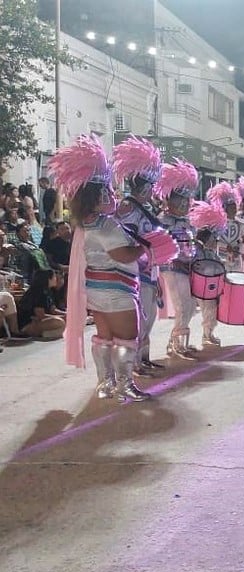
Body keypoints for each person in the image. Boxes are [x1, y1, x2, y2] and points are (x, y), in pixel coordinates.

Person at [48, 134, 152, 402]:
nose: (111, 192)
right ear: (98, 192)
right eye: (106, 188)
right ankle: (124, 386)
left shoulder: (84, 222)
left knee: (104, 337)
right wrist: (146, 247)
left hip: (96, 290)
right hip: (117, 291)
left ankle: (105, 384)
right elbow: (123, 255)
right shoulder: (106, 224)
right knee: (128, 338)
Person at [112, 135, 165, 373]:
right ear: (142, 187)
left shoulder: (145, 208)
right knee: (140, 319)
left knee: (150, 316)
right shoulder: (126, 208)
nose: (152, 190)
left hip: (150, 271)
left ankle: (143, 358)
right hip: (135, 271)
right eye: (150, 186)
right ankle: (133, 364)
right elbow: (121, 237)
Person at [156, 160, 200, 359]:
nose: (184, 204)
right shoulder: (161, 221)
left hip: (187, 268)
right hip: (171, 268)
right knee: (182, 305)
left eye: (186, 199)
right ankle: (176, 342)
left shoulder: (189, 221)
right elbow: (158, 248)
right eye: (180, 199)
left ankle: (176, 338)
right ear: (169, 200)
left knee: (190, 305)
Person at [208, 181, 244, 273]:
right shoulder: (217, 224)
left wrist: (239, 248)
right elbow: (213, 240)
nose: (233, 210)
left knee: (237, 279)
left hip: (236, 256)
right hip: (221, 256)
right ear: (225, 208)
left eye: (235, 207)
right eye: (231, 207)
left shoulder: (241, 223)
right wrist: (224, 246)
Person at [17, 269, 65, 338]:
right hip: (28, 324)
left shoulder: (48, 291)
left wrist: (66, 314)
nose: (56, 279)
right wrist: (60, 317)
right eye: (54, 277)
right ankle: (42, 334)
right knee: (59, 322)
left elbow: (53, 310)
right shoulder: (38, 292)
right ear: (48, 279)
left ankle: (47, 334)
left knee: (64, 321)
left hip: (39, 322)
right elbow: (40, 315)